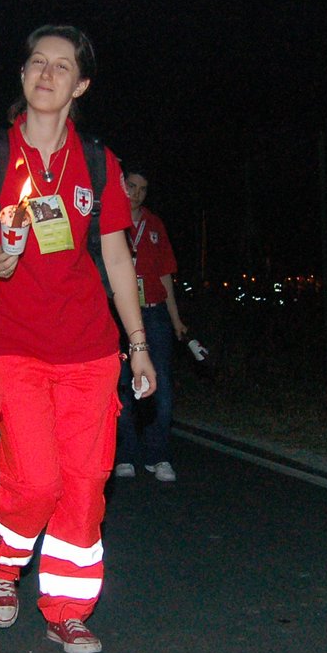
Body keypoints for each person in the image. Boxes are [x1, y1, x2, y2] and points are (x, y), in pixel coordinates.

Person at [0, 25, 154, 653]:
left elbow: (119, 261)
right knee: (37, 479)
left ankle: (68, 606)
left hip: (91, 348)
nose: (46, 74)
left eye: (61, 67)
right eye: (36, 62)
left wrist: (140, 344)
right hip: (12, 341)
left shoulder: (99, 162)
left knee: (86, 483)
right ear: (22, 75)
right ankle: (2, 563)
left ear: (81, 84)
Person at [112, 163, 188, 483]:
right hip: (118, 315)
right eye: (131, 186)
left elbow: (165, 275)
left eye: (142, 188)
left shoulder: (155, 224)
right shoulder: (108, 223)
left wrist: (176, 320)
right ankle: (127, 453)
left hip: (154, 313)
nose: (136, 193)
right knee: (123, 384)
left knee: (162, 385)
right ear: (121, 185)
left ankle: (158, 455)